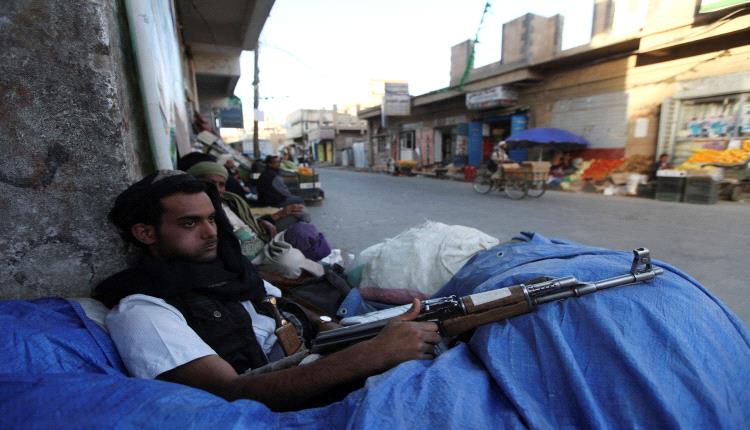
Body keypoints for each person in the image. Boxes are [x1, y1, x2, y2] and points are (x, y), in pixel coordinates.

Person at [94, 171, 440, 411]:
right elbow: (229, 393)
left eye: (212, 219)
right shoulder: (144, 311)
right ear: (145, 233)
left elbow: (280, 303)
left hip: (329, 360)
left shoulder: (230, 273)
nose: (211, 232)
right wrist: (370, 354)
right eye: (190, 223)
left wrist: (337, 330)